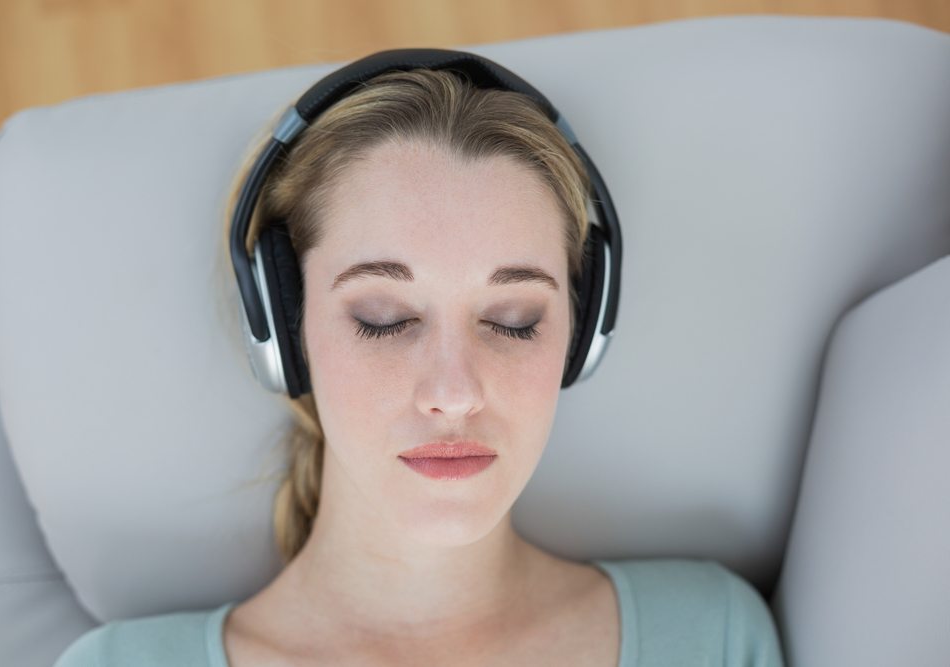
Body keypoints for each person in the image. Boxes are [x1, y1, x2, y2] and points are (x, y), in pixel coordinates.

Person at [54, 52, 785, 667]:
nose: (453, 391)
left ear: (582, 333)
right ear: (284, 325)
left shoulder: (710, 634)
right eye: (384, 319)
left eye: (513, 320)